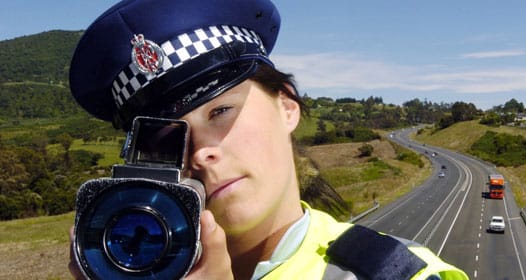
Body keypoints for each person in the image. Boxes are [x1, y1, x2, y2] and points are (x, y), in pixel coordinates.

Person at [67, 0, 469, 279]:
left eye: (220, 112)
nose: (201, 154)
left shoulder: (394, 273)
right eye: (167, 137)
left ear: (287, 107)